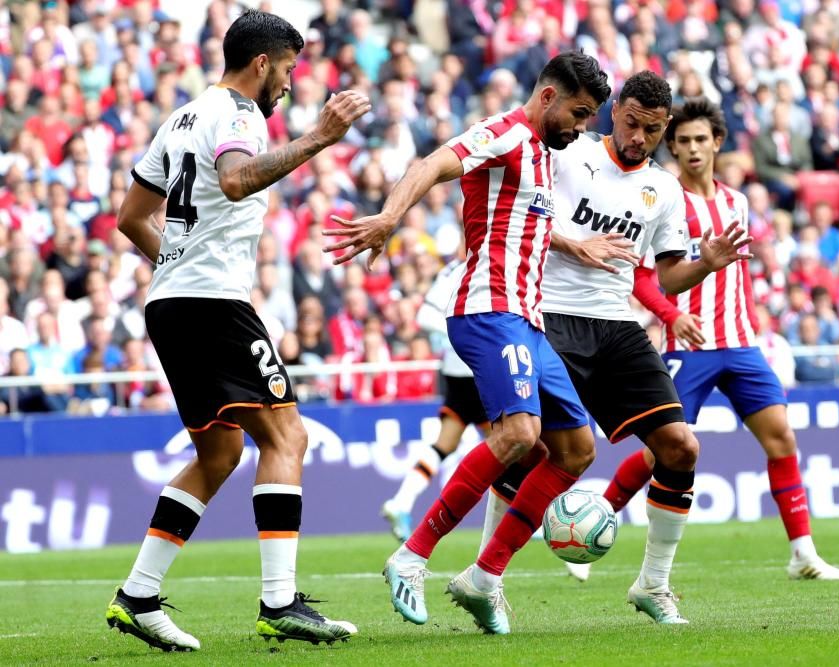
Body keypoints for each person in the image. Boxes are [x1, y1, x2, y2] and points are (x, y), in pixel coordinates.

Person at [107, 10, 370, 651]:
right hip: (212, 302)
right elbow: (234, 178)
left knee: (220, 454)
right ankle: (280, 602)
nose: (287, 83)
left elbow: (131, 216)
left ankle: (138, 595)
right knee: (288, 434)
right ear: (262, 63)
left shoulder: (182, 117)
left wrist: (176, 264)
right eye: (286, 69)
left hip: (171, 302)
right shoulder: (240, 115)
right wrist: (318, 138)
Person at [326, 52, 611, 635]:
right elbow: (433, 163)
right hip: (487, 309)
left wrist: (572, 245)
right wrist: (388, 217)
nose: (581, 127)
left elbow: (522, 221)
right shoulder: (504, 133)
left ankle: (483, 578)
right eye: (579, 114)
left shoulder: (540, 154)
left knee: (578, 449)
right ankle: (411, 556)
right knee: (518, 434)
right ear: (550, 97)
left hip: (527, 319)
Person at [478, 72, 752, 624]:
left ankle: (653, 585)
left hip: (616, 324)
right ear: (614, 112)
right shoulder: (566, 152)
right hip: (548, 314)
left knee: (680, 448)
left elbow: (667, 277)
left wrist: (705, 264)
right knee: (528, 448)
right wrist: (573, 243)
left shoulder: (664, 189)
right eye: (630, 123)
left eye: (651, 130)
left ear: (664, 128)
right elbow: (516, 213)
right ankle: (487, 578)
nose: (638, 138)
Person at [600, 99, 839, 580]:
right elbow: (640, 276)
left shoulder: (736, 201)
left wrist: (754, 325)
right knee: (659, 455)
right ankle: (599, 523)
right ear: (670, 146)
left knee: (782, 439)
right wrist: (673, 315)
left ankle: (802, 553)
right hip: (688, 348)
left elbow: (737, 276)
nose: (693, 148)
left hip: (740, 343)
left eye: (701, 139)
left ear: (717, 143)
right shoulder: (662, 199)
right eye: (683, 141)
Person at [380, 256, 490, 542]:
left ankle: (401, 502)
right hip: (477, 368)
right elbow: (426, 317)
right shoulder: (469, 265)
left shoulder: (462, 265)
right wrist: (475, 336)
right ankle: (530, 521)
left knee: (446, 444)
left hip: (459, 368)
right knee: (512, 444)